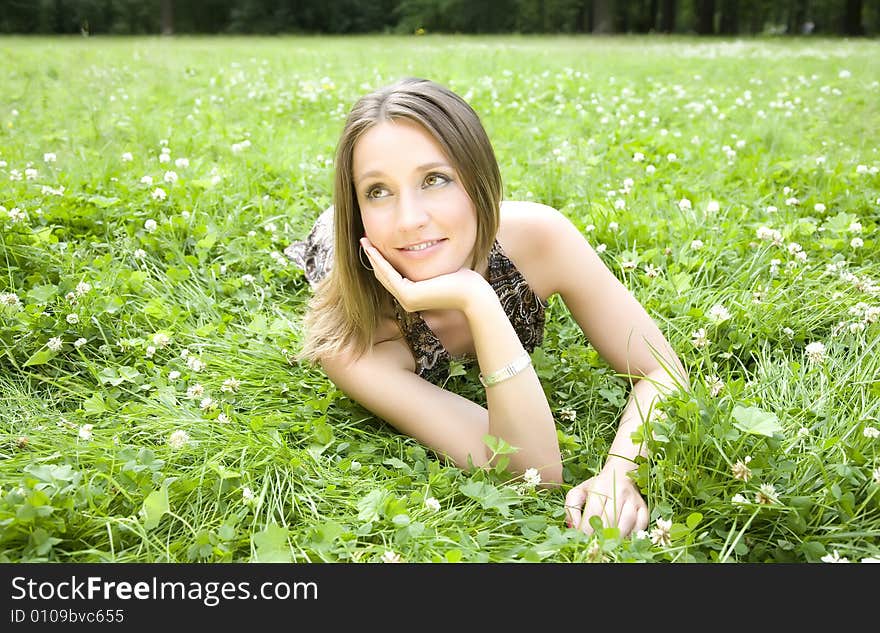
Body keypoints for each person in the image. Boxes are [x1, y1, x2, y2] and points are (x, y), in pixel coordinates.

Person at [287, 77, 689, 538]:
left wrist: (621, 470)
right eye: (377, 191)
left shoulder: (541, 237)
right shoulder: (350, 341)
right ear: (357, 206)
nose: (409, 219)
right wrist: (478, 299)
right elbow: (530, 472)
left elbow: (661, 371)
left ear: (479, 180)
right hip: (334, 248)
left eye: (434, 179)